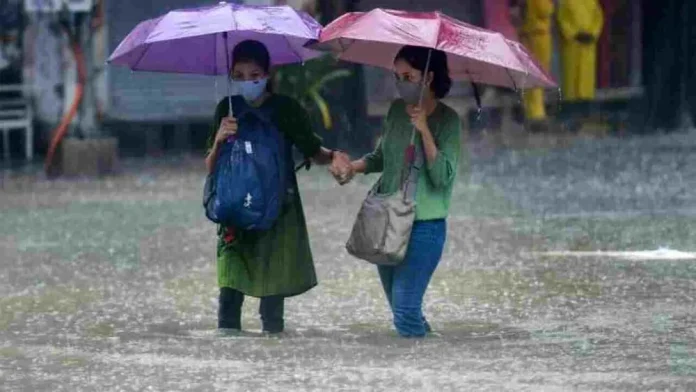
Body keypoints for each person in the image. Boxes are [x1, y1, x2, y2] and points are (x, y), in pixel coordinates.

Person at [205, 40, 350, 335]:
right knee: (229, 298)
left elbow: (312, 151)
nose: (248, 81)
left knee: (272, 309)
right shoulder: (226, 109)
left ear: (268, 73)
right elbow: (210, 168)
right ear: (232, 75)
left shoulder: (287, 109)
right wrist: (219, 139)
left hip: (277, 212)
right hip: (234, 211)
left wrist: (334, 155)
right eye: (240, 75)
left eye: (255, 74)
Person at [330, 46, 463, 338]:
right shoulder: (395, 111)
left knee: (405, 309)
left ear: (427, 77)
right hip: (387, 222)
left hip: (424, 227)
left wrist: (425, 130)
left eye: (408, 76)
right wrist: (352, 168)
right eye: (396, 76)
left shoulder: (449, 121)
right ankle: (428, 363)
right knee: (403, 311)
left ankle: (420, 376)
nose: (401, 82)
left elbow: (442, 178)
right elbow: (381, 158)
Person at [557, 0, 604, 101]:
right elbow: (562, 19)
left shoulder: (593, 2)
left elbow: (598, 18)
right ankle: (571, 103)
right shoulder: (566, 2)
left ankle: (586, 103)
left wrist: (592, 34)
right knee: (571, 78)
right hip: (572, 45)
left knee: (586, 77)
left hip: (588, 45)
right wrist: (574, 34)